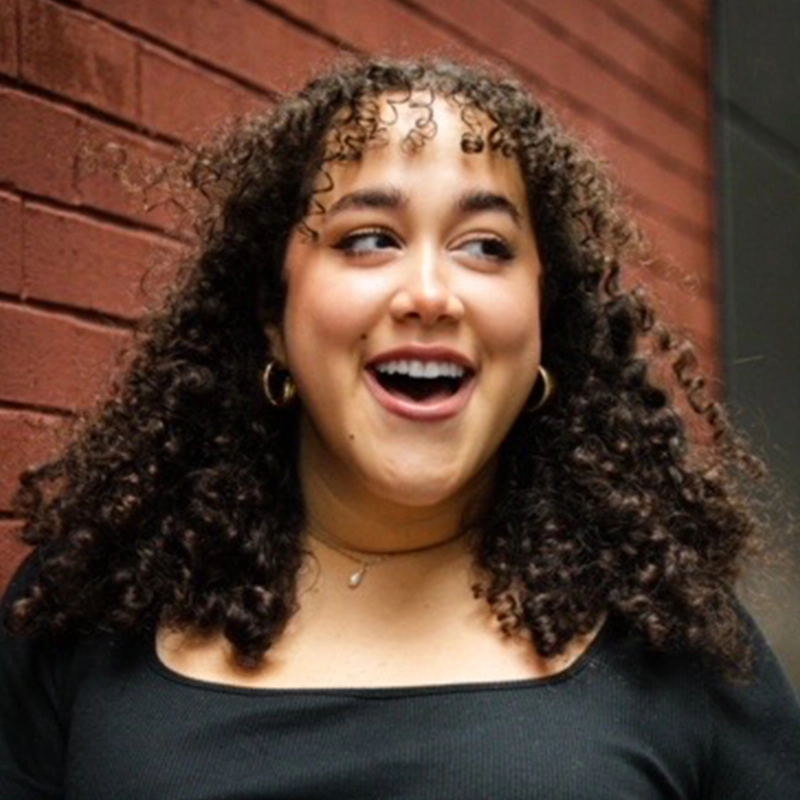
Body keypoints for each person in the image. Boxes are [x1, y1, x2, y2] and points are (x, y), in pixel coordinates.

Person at [1, 56, 798, 799]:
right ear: (272, 318)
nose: (430, 293)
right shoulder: (85, 610)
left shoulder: (678, 643)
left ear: (545, 325)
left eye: (485, 247)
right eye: (369, 239)